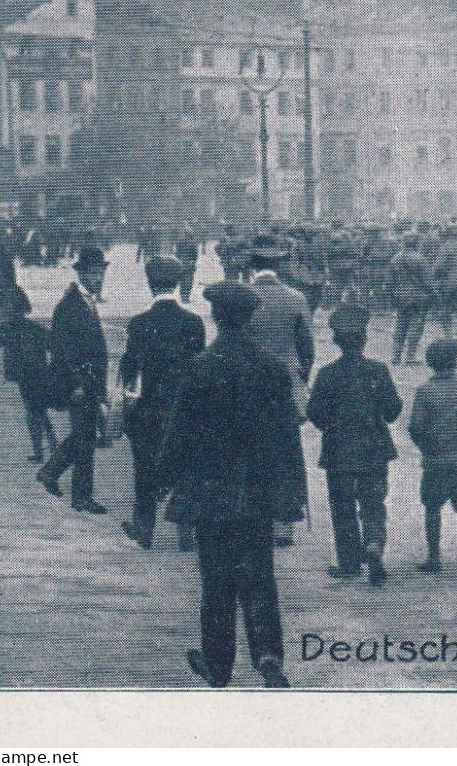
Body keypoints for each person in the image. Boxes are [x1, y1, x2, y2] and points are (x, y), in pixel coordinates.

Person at [158, 280, 306, 689]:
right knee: (260, 575)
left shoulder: (199, 368)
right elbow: (287, 438)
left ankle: (218, 665)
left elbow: (178, 435)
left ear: (216, 318)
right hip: (258, 494)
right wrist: (292, 496)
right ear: (251, 318)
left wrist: (165, 480)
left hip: (210, 494)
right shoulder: (273, 370)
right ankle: (269, 656)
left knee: (217, 580)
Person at [306, 303, 402, 585]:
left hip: (339, 452)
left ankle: (349, 563)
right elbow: (392, 411)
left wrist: (329, 426)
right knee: (374, 502)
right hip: (374, 449)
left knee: (342, 506)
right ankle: (373, 543)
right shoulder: (378, 370)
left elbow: (315, 413)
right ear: (365, 339)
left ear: (336, 341)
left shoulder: (327, 374)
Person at [116, 256, 206, 550]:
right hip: (185, 408)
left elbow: (130, 370)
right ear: (179, 283)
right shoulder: (193, 322)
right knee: (186, 466)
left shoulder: (140, 323)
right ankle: (187, 532)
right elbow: (199, 367)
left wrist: (127, 399)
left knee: (144, 468)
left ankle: (144, 529)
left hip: (149, 409)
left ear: (150, 283)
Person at [245, 234, 313, 547]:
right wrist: (300, 378)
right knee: (287, 452)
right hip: (286, 388)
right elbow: (307, 349)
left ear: (253, 265)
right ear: (279, 266)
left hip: (249, 387)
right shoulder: (297, 299)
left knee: (250, 451)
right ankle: (285, 521)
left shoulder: (242, 298)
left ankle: (254, 514)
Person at [37, 247, 111, 514]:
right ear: (81, 274)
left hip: (89, 382)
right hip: (80, 383)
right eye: (93, 274)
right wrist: (78, 383)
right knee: (86, 439)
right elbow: (61, 349)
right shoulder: (69, 305)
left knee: (84, 435)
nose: (98, 278)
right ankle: (80, 496)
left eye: (101, 273)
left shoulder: (85, 301)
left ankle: (50, 472)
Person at [407, 337, 457, 579]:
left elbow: (415, 427)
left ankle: (434, 557)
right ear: (455, 363)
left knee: (432, 508)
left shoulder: (425, 392)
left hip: (437, 461)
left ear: (430, 364)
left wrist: (427, 449)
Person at [0, 285, 56, 463]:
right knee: (39, 411)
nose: (1, 312)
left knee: (33, 412)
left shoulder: (9, 330)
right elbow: (53, 345)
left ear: (13, 309)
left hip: (27, 377)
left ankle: (40, 452)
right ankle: (52, 444)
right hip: (39, 373)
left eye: (4, 308)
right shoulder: (34, 328)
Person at [386, 234, 434, 365]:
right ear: (416, 243)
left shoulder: (395, 259)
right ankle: (410, 357)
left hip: (400, 297)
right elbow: (428, 283)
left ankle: (395, 356)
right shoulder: (420, 259)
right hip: (417, 298)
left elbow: (389, 283)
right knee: (415, 326)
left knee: (400, 326)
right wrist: (435, 296)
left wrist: (392, 299)